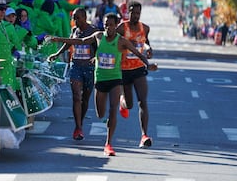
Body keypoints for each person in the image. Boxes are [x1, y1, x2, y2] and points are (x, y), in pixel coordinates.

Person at [49, 13, 157, 156]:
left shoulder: (122, 41)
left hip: (115, 79)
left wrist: (148, 65)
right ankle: (115, 111)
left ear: (115, 26)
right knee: (100, 114)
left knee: (112, 110)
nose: (108, 27)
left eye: (111, 25)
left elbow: (138, 53)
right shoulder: (98, 36)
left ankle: (108, 144)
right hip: (100, 80)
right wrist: (58, 40)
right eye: (106, 24)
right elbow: (80, 41)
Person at [48, 8, 99, 140]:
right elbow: (69, 42)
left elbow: (100, 47)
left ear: (84, 17)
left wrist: (96, 58)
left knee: (85, 99)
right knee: (77, 97)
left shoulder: (93, 31)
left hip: (89, 69)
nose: (75, 21)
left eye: (78, 18)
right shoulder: (74, 30)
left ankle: (80, 122)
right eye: (74, 18)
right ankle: (78, 127)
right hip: (76, 66)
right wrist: (57, 54)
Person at [116, 1, 154, 149]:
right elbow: (111, 41)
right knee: (130, 104)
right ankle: (122, 101)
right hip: (124, 70)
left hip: (138, 68)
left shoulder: (144, 28)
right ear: (128, 12)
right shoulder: (121, 27)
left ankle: (144, 135)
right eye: (133, 12)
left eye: (138, 13)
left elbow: (145, 42)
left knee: (142, 101)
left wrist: (149, 48)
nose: (135, 16)